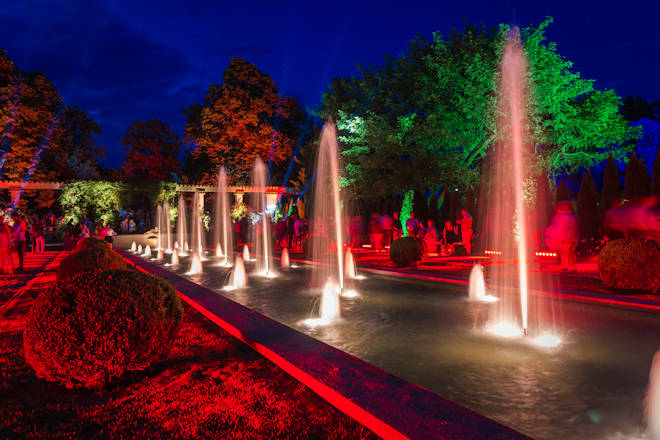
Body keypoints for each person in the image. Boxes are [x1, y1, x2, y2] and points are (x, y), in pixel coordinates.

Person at [544, 201, 578, 270]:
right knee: (567, 253)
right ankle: (569, 266)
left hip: (564, 239)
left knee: (566, 253)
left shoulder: (562, 216)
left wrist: (549, 232)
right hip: (569, 239)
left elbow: (560, 228)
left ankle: (567, 266)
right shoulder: (569, 216)